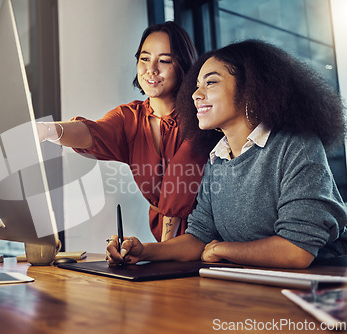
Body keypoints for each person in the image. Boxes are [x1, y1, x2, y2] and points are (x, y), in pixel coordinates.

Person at [107, 39, 347, 268]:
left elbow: (297, 251)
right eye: (197, 85)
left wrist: (223, 250)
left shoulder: (296, 147)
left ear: (251, 90)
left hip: (320, 283)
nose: (195, 95)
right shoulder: (217, 158)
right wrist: (144, 251)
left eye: (210, 83)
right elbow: (198, 237)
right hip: (250, 285)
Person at [38, 22, 220, 242]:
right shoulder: (130, 118)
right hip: (164, 239)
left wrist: (163, 250)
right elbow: (92, 133)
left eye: (164, 60)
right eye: (144, 58)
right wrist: (47, 130)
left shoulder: (202, 113)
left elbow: (183, 174)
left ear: (182, 65)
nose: (151, 69)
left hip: (210, 236)